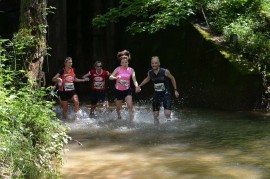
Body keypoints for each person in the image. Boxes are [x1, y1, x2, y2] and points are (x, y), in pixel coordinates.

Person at [137, 56, 179, 125]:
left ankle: (169, 127)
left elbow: (172, 78)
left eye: (156, 63)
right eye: (153, 63)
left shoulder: (165, 71)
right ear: (151, 64)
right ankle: (156, 129)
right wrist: (139, 86)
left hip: (166, 93)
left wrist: (175, 90)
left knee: (167, 114)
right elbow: (147, 79)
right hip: (157, 94)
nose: (154, 64)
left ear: (159, 64)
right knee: (155, 115)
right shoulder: (150, 73)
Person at [109, 50, 140, 121]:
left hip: (127, 90)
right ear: (121, 63)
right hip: (118, 90)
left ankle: (131, 120)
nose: (124, 63)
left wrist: (137, 86)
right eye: (123, 62)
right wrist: (115, 77)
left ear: (128, 62)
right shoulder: (118, 69)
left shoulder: (131, 70)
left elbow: (134, 80)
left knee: (130, 105)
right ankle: (119, 117)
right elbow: (110, 77)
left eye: (126, 62)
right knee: (119, 108)